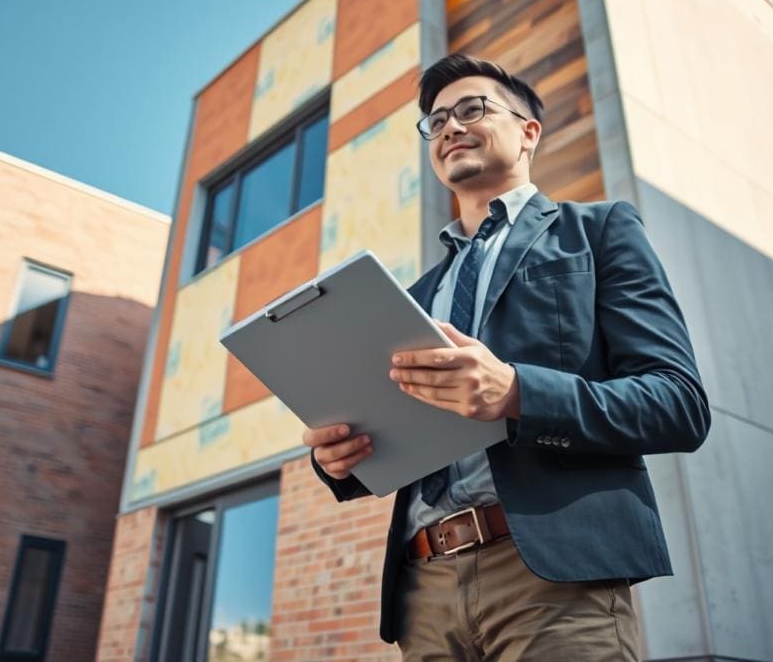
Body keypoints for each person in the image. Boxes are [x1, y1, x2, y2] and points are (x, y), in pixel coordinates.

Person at [303, 54, 710, 661]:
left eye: (472, 109)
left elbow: (677, 403)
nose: (449, 127)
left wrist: (518, 392)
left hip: (553, 579)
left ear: (528, 132)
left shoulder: (597, 233)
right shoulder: (412, 300)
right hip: (425, 590)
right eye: (436, 121)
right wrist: (339, 460)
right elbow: (401, 444)